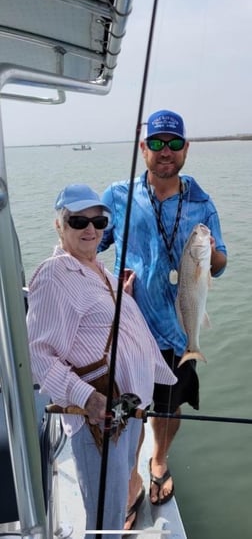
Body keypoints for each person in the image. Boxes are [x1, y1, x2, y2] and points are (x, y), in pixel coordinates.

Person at [26, 183, 177, 539]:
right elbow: (37, 357)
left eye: (99, 220)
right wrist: (87, 398)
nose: (91, 229)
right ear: (59, 226)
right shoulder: (55, 275)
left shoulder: (99, 272)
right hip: (100, 420)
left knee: (116, 494)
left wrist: (117, 297)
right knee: (105, 519)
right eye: (78, 221)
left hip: (126, 412)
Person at [98, 109, 227, 516]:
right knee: (132, 409)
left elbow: (222, 264)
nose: (165, 151)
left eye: (173, 143)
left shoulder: (202, 202)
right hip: (133, 329)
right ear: (143, 149)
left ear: (186, 148)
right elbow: (87, 244)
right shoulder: (118, 196)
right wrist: (103, 282)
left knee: (170, 407)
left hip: (179, 331)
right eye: (156, 143)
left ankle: (159, 460)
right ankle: (133, 481)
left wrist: (209, 255)